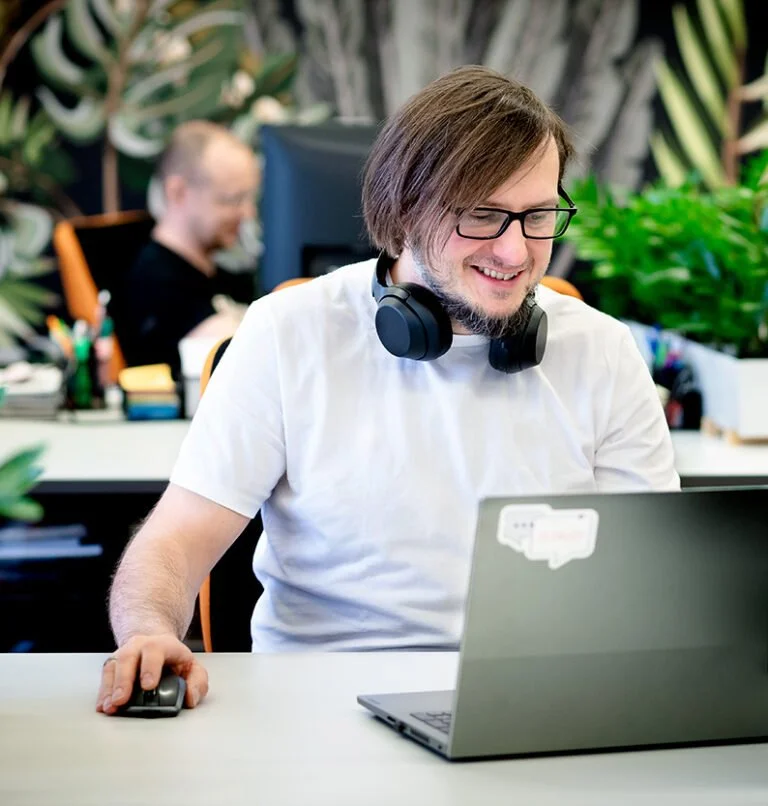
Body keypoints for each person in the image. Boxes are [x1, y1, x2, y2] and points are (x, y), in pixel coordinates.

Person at [97, 66, 679, 715]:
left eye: (538, 215)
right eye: (482, 216)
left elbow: (652, 574)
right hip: (321, 709)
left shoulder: (602, 351)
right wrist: (148, 630)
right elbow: (174, 541)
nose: (516, 252)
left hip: (538, 700)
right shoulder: (289, 333)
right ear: (403, 214)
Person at [111, 120, 259, 376]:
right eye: (231, 199)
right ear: (178, 192)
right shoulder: (155, 286)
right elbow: (249, 356)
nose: (247, 213)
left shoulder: (221, 278)